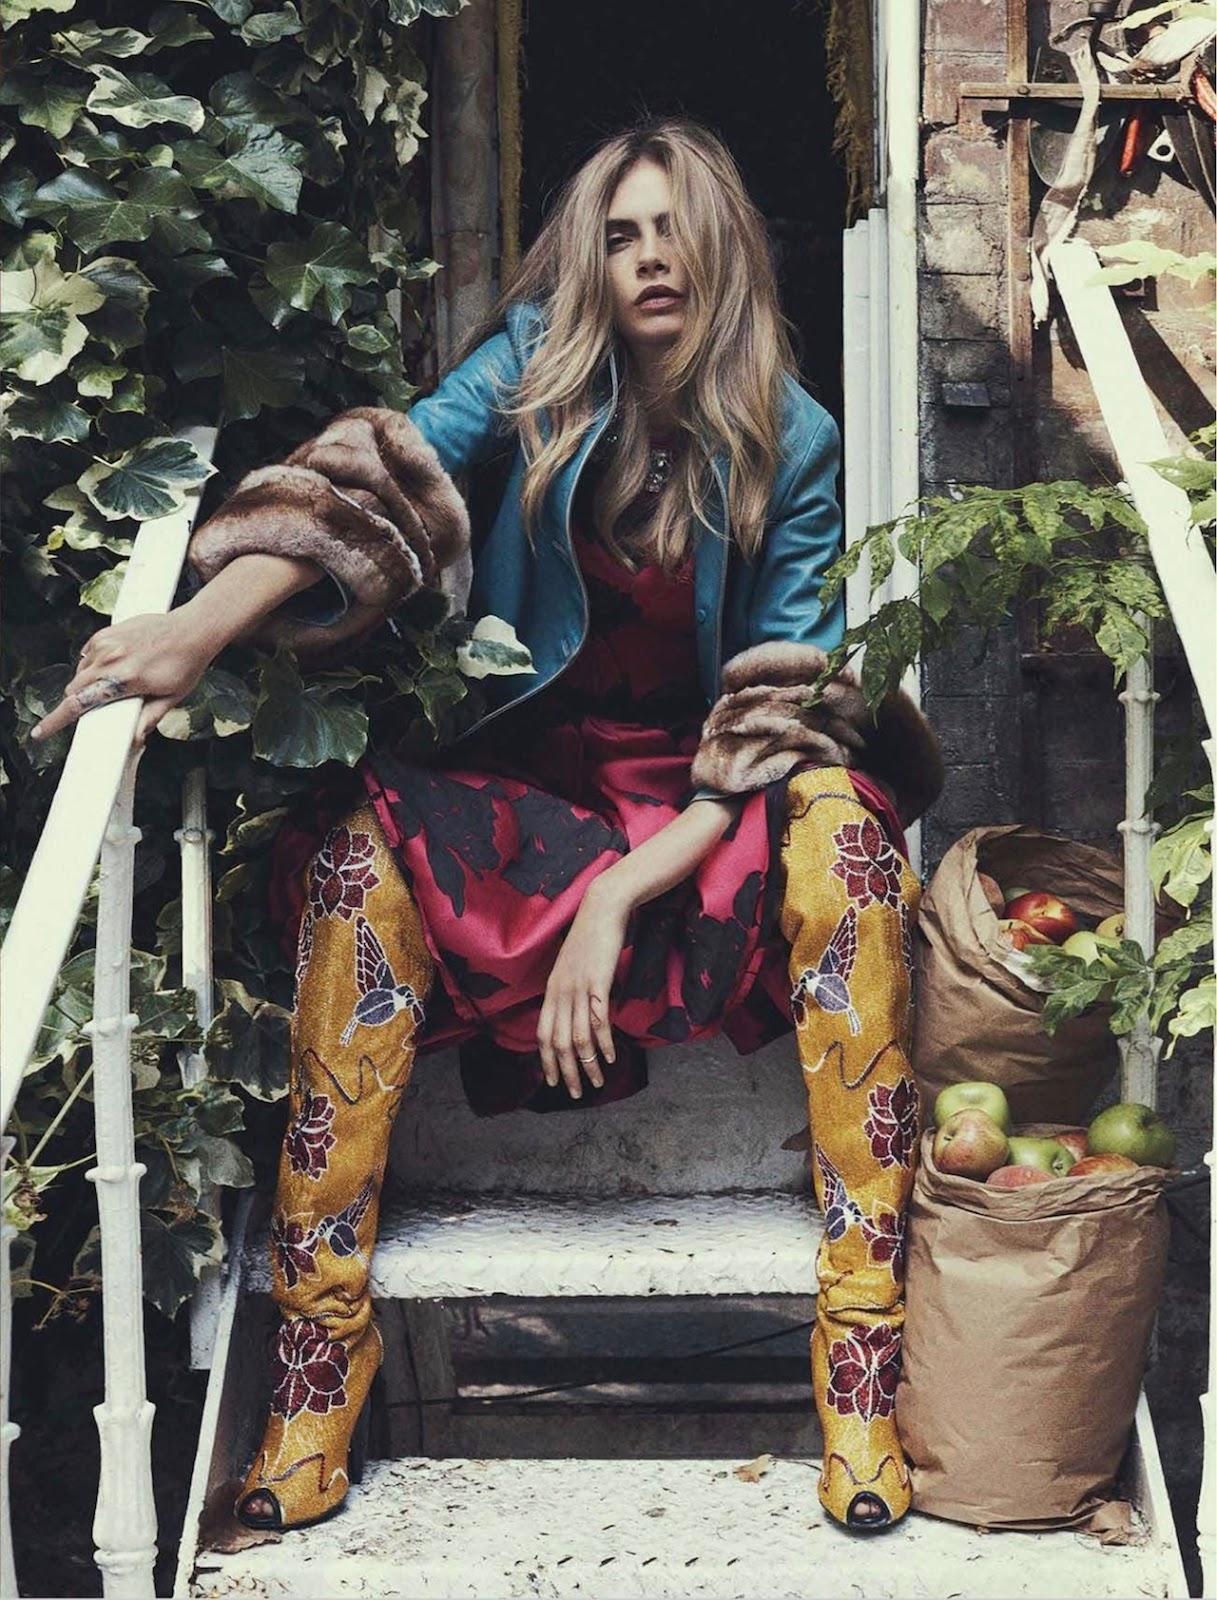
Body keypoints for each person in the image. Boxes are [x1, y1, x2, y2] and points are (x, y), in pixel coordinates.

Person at [34, 119, 941, 1535]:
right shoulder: (533, 370)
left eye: (672, 230)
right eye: (620, 236)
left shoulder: (795, 436)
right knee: (359, 862)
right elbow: (373, 484)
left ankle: (864, 1369)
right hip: (534, 779)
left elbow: (768, 721)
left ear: (724, 249)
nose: (648, 260)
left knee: (850, 845)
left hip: (701, 799)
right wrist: (198, 630)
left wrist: (613, 901)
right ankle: (317, 1363)